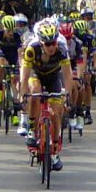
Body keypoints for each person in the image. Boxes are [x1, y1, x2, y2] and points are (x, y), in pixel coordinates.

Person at [20, 22, 72, 171]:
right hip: (36, 75)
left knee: (56, 113)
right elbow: (24, 75)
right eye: (48, 44)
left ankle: (55, 150)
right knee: (34, 92)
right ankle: (31, 129)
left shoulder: (62, 50)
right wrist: (23, 93)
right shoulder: (32, 49)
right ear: (41, 43)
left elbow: (67, 76)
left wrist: (67, 95)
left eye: (53, 43)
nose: (51, 47)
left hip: (53, 79)